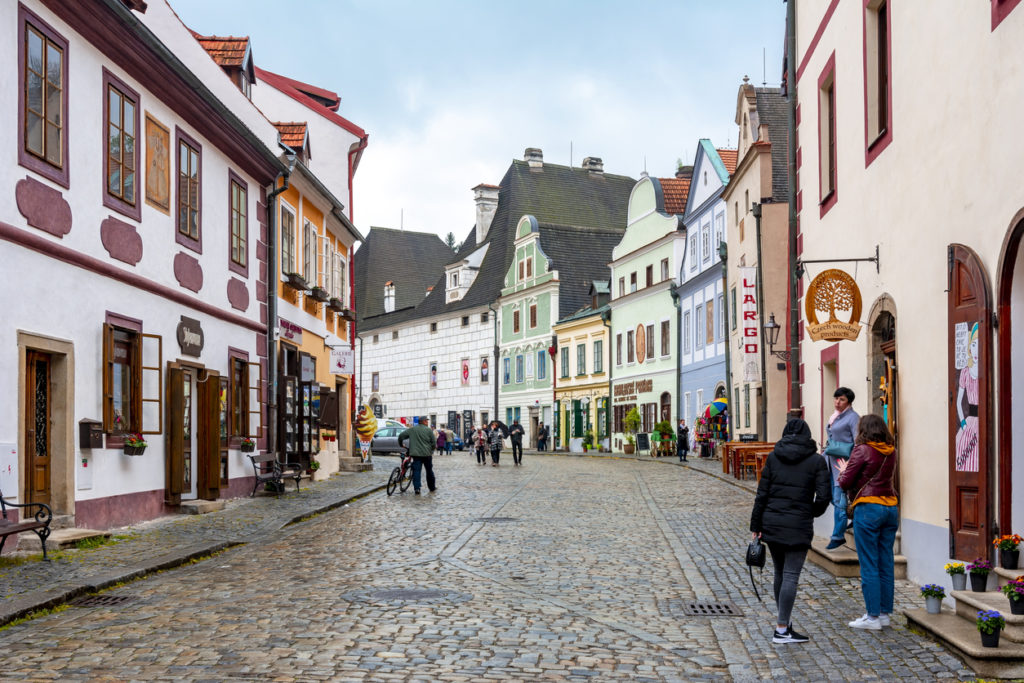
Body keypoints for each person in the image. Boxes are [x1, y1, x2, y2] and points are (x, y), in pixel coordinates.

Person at [749, 418, 831, 645]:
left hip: (772, 522)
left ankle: (784, 623)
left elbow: (761, 493)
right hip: (798, 524)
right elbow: (825, 496)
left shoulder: (774, 457)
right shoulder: (816, 461)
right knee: (791, 575)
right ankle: (782, 628)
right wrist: (810, 512)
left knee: (780, 573)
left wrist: (755, 526)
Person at [837, 414, 899, 631]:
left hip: (868, 507)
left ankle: (872, 617)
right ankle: (883, 614)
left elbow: (845, 482)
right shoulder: (891, 451)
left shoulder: (862, 449)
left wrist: (844, 472)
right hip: (890, 507)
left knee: (869, 563)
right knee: (885, 561)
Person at [824, 387, 860, 550]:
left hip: (843, 465)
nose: (837, 402)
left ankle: (837, 536)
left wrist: (851, 464)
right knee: (832, 497)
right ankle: (853, 516)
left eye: (842, 400)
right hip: (831, 463)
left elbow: (858, 441)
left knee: (839, 501)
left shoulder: (853, 418)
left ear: (849, 402)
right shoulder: (835, 416)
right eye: (836, 398)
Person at [398, 416, 437, 495]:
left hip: (416, 455)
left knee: (416, 471)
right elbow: (433, 442)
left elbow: (401, 436)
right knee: (429, 471)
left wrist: (401, 444)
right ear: (423, 421)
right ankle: (432, 487)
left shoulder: (412, 430)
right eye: (426, 421)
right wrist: (431, 449)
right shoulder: (429, 430)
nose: (427, 422)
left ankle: (417, 489)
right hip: (427, 454)